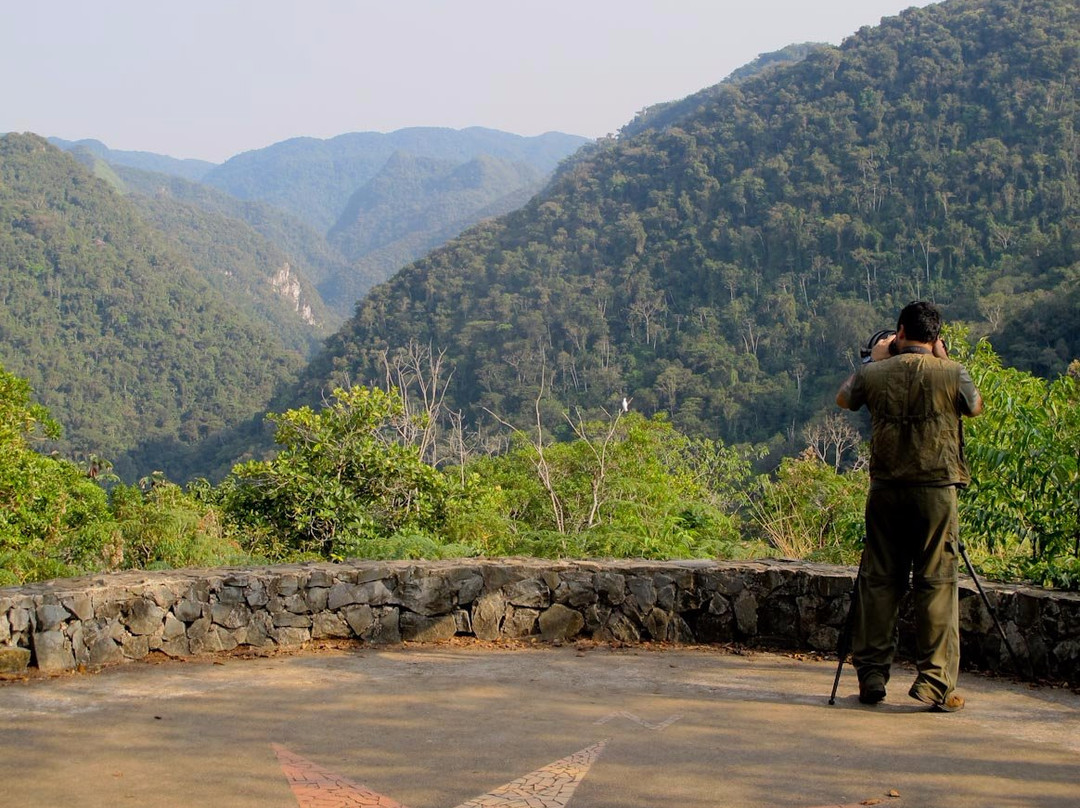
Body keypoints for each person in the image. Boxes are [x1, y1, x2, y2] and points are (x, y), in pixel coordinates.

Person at [835, 301, 983, 712]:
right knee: (937, 581)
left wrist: (875, 359)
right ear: (935, 338)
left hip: (886, 490)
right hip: (936, 490)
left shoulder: (874, 373)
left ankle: (872, 676)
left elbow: (844, 399)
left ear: (900, 332)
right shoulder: (952, 373)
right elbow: (973, 406)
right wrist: (946, 359)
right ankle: (934, 682)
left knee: (880, 581)